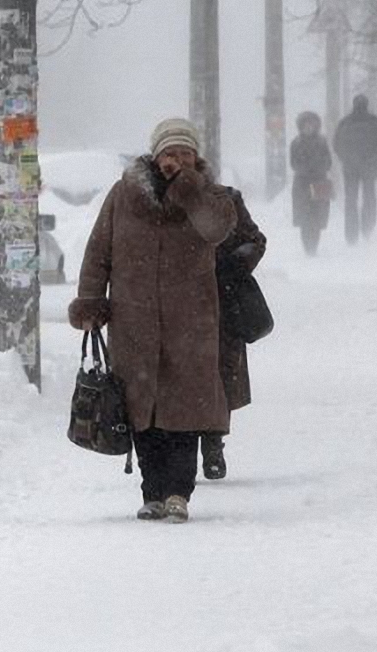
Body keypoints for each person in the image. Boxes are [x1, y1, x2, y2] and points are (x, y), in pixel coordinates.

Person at [69, 117, 235, 524]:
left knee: (185, 411)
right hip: (133, 320)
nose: (174, 160)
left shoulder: (210, 197)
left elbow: (217, 230)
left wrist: (189, 191)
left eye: (184, 154)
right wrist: (91, 300)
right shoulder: (124, 195)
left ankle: (179, 492)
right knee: (141, 411)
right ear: (154, 155)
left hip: (190, 323)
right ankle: (152, 493)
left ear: (195, 159)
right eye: (168, 153)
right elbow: (99, 250)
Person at [200, 187, 267, 480]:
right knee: (181, 373)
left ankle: (213, 443)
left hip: (223, 302)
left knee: (221, 372)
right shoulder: (161, 202)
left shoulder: (225, 199)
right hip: (177, 301)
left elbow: (255, 241)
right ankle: (183, 447)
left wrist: (231, 267)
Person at [332, 95, 377, 245]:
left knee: (353, 200)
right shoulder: (374, 122)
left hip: (353, 167)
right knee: (367, 198)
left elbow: (337, 145)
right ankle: (366, 229)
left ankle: (353, 234)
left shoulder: (346, 123)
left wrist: (348, 159)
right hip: (364, 166)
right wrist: (374, 160)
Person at [290, 111, 333, 255]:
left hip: (319, 183)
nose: (308, 128)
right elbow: (293, 163)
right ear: (301, 126)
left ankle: (314, 245)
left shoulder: (322, 142)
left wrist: (319, 170)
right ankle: (307, 246)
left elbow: (328, 161)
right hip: (301, 184)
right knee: (304, 217)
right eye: (305, 125)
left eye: (311, 125)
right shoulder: (296, 143)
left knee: (317, 216)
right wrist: (305, 171)